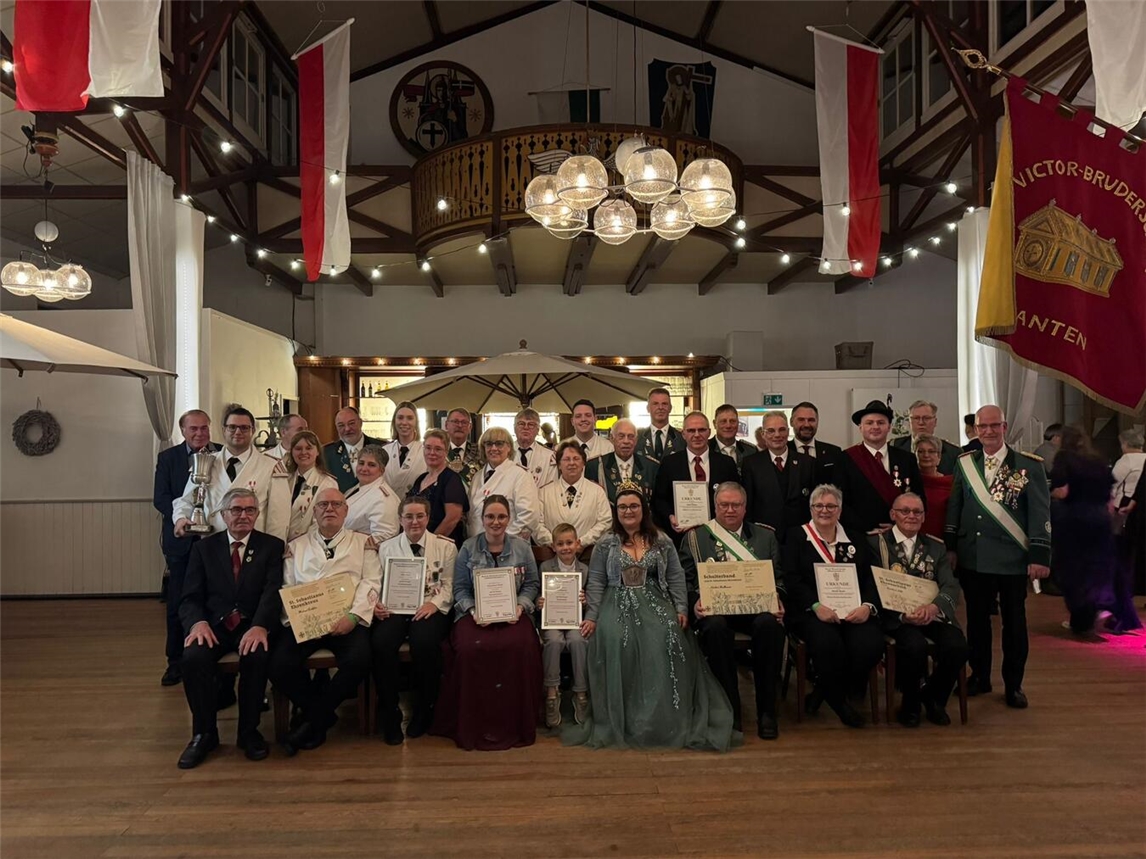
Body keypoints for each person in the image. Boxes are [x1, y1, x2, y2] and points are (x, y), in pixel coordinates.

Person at [567, 487, 736, 751]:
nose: (628, 511)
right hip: (616, 601)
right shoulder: (606, 542)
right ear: (616, 511)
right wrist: (592, 617)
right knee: (616, 639)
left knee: (667, 636)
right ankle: (627, 719)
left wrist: (681, 609)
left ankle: (660, 717)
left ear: (643, 509)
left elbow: (677, 577)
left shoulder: (661, 540)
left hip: (655, 600)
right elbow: (597, 581)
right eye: (622, 507)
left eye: (633, 506)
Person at [945, 405, 1050, 709]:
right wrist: (951, 546)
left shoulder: (1028, 466)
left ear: (1004, 427)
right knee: (976, 622)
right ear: (975, 429)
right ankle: (979, 676)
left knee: (1014, 624)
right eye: (982, 426)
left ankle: (1014, 684)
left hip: (1012, 558)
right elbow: (956, 506)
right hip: (973, 556)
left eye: (994, 426)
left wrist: (1039, 555)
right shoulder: (965, 463)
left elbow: (1040, 513)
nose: (988, 432)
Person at [176, 488, 283, 768]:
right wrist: (197, 624)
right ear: (223, 515)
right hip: (214, 625)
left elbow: (273, 593)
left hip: (252, 624)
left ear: (257, 515)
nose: (243, 516)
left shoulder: (272, 546)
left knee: (257, 655)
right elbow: (189, 596)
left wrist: (261, 626)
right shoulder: (203, 548)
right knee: (193, 657)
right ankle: (203, 733)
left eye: (250, 510)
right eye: (236, 510)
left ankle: (248, 732)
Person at [269, 488, 380, 754]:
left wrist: (353, 617)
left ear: (346, 510)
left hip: (347, 619)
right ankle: (321, 715)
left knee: (359, 660)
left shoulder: (362, 543)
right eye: (323, 505)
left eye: (336, 504)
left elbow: (372, 582)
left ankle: (311, 720)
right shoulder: (296, 546)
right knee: (278, 664)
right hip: (306, 622)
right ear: (314, 511)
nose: (329, 509)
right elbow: (287, 585)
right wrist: (306, 621)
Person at [432, 495, 543, 750]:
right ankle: (473, 725)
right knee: (470, 649)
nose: (496, 522)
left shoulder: (522, 548)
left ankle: (517, 724)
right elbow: (460, 588)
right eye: (490, 517)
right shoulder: (468, 548)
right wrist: (472, 611)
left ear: (509, 519)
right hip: (474, 616)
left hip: (513, 612)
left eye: (501, 516)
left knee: (522, 646)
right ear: (481, 520)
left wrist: (520, 606)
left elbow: (531, 585)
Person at [680, 482, 786, 739]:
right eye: (724, 505)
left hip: (755, 609)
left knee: (769, 626)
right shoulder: (695, 538)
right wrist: (694, 602)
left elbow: (779, 579)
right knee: (714, 628)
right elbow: (686, 579)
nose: (729, 510)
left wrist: (779, 600)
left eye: (735, 505)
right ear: (714, 506)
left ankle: (766, 711)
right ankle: (730, 709)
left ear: (745, 507)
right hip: (716, 610)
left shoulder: (765, 537)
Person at [782, 484, 884, 728]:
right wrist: (816, 606)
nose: (824, 510)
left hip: (853, 610)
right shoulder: (797, 536)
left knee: (871, 644)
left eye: (830, 506)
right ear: (811, 508)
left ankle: (820, 692)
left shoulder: (855, 538)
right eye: (818, 506)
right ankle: (840, 705)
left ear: (839, 510)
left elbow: (871, 577)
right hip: (812, 612)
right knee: (828, 644)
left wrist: (867, 606)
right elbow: (791, 579)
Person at [867, 493, 967, 727]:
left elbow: (950, 585)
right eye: (905, 511)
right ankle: (910, 705)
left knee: (957, 647)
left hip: (931, 614)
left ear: (923, 517)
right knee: (914, 646)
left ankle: (934, 698)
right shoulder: (876, 544)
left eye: (917, 512)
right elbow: (870, 585)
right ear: (893, 514)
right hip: (896, 617)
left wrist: (934, 607)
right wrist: (902, 615)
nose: (911, 516)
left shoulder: (935, 546)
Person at [373, 496, 457, 744]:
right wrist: (375, 603)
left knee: (425, 643)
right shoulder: (387, 548)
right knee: (381, 643)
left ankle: (423, 709)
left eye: (420, 516)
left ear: (428, 518)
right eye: (408, 516)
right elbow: (376, 583)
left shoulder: (446, 547)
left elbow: (451, 584)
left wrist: (434, 603)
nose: (414, 521)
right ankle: (390, 711)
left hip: (429, 606)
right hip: (395, 607)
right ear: (400, 519)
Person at [155, 408, 218, 686]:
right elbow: (161, 498)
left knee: (214, 599)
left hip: (214, 541)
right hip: (181, 542)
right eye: (193, 428)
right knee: (178, 602)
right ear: (183, 431)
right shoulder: (168, 458)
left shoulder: (221, 456)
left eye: (204, 428)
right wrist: (187, 519)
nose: (199, 433)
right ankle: (175, 661)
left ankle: (212, 657)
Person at [173, 405, 286, 542]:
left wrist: (274, 548)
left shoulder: (270, 466)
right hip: (212, 543)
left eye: (244, 428)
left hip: (254, 545)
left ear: (253, 430)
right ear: (223, 430)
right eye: (232, 427)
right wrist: (180, 518)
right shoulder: (206, 461)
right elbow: (186, 500)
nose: (238, 432)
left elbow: (279, 517)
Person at [1050, 427, 1117, 635]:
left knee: (1072, 570)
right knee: (1095, 568)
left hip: (1074, 519)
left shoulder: (1064, 458)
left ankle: (1080, 620)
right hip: (1100, 519)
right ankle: (1097, 608)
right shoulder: (1096, 459)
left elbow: (1062, 490)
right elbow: (1110, 496)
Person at [834, 399, 924, 535]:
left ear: (889, 427)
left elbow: (919, 498)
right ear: (860, 427)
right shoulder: (845, 459)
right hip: (860, 535)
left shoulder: (907, 459)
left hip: (900, 534)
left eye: (881, 422)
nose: (875, 427)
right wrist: (866, 528)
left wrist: (897, 527)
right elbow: (839, 502)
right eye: (869, 423)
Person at [653, 411, 739, 547]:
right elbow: (659, 499)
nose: (697, 435)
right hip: (680, 537)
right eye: (691, 430)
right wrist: (670, 516)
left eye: (702, 430)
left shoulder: (726, 463)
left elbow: (736, 497)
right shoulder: (670, 463)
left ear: (709, 432)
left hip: (719, 536)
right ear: (683, 434)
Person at [537, 523, 590, 728]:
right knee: (553, 641)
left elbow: (592, 600)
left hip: (575, 619)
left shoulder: (584, 570)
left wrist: (585, 601)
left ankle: (581, 693)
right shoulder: (545, 567)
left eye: (569, 543)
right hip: (552, 620)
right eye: (560, 544)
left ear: (577, 544)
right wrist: (539, 602)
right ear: (553, 546)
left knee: (578, 640)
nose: (565, 547)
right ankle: (551, 693)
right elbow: (538, 594)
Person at [741, 410, 815, 536]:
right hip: (764, 535)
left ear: (788, 432)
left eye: (782, 430)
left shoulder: (807, 463)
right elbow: (748, 504)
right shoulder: (751, 464)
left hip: (800, 535)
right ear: (763, 434)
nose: (777, 435)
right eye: (771, 431)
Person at [534, 442, 612, 555]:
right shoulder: (544, 492)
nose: (572, 463)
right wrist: (556, 543)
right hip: (553, 556)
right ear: (559, 465)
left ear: (583, 463)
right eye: (566, 459)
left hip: (588, 555)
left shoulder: (597, 491)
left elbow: (605, 522)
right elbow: (537, 524)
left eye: (576, 459)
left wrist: (582, 542)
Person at [466, 426, 540, 539]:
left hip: (509, 545)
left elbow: (529, 515)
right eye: (489, 444)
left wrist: (501, 539)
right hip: (477, 546)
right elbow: (472, 516)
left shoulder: (520, 475)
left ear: (509, 447)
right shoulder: (477, 476)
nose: (494, 448)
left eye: (499, 444)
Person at [269, 430, 338, 543]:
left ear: (317, 452)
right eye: (298, 448)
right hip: (278, 542)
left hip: (307, 545)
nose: (303, 452)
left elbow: (323, 522)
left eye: (309, 448)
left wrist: (298, 544)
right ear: (291, 452)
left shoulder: (327, 483)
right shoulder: (283, 478)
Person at [408, 429, 468, 547]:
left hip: (440, 545)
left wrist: (429, 544)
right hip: (417, 543)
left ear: (446, 452)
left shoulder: (451, 479)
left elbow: (452, 519)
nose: (432, 452)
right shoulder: (421, 479)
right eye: (428, 448)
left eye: (438, 449)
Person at [1111, 429, 1145, 632]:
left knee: (1124, 547)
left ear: (1124, 444)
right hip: (1142, 504)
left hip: (1125, 504)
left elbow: (1113, 484)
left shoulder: (1126, 460)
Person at [585, 418, 659, 506]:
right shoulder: (597, 466)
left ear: (636, 441)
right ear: (612, 438)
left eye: (631, 436)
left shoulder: (651, 466)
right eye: (621, 436)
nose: (626, 441)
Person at [342, 445, 400, 543]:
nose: (364, 469)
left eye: (371, 465)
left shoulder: (383, 498)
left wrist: (351, 540)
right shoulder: (356, 488)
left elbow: (385, 535)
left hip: (364, 554)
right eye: (361, 463)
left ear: (381, 470)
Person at [323, 406, 385, 492]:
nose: (347, 429)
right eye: (341, 425)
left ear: (360, 423)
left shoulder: (382, 448)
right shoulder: (326, 453)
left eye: (351, 423)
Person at [891, 400, 962, 475]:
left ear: (935, 422)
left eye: (926, 418)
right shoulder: (894, 447)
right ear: (909, 422)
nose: (921, 422)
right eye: (916, 418)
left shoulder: (954, 453)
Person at [787, 401, 842, 483]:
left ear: (817, 422)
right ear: (791, 422)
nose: (806, 425)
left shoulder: (834, 452)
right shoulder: (783, 451)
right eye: (801, 420)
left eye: (811, 420)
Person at [383, 402, 425, 498]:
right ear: (394, 421)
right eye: (400, 418)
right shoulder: (385, 451)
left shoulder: (425, 451)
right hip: (388, 506)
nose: (404, 422)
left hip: (415, 507)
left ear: (416, 422)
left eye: (410, 418)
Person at [915, 434, 954, 540]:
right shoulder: (909, 482)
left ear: (939, 457)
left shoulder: (951, 483)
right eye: (920, 451)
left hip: (942, 541)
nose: (926, 455)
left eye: (931, 451)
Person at [636, 387, 685, 461]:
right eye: (655, 404)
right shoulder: (637, 438)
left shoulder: (682, 438)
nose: (660, 407)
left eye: (664, 404)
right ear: (648, 408)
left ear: (670, 408)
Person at [514, 408, 558, 488]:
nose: (526, 427)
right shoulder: (504, 454)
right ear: (514, 428)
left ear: (538, 430)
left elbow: (552, 488)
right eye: (521, 424)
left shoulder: (549, 456)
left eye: (531, 424)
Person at [710, 404, 757, 469]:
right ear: (715, 424)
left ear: (738, 423)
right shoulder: (706, 449)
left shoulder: (750, 452)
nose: (728, 426)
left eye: (732, 421)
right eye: (723, 421)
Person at [444, 408, 482, 486]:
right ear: (446, 425)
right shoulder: (438, 452)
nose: (460, 425)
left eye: (464, 422)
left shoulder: (479, 452)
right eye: (455, 421)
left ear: (470, 427)